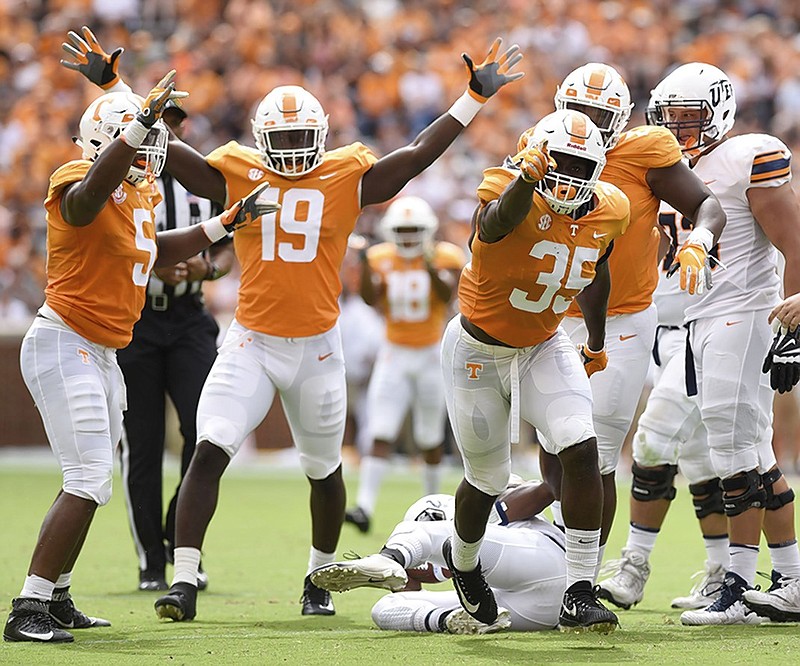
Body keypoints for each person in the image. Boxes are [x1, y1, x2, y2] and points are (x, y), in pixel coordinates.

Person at [66, 27, 525, 621]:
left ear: (321, 138)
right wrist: (118, 89)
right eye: (279, 139)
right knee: (209, 448)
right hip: (252, 339)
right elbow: (162, 146)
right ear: (260, 140)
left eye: (299, 139)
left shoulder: (344, 174)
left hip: (317, 347)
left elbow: (413, 158)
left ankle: (317, 577)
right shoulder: (236, 171)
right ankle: (182, 580)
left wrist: (472, 99)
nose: (288, 150)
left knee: (323, 469)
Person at [2, 74, 277, 643]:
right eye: (141, 141)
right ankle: (27, 607)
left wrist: (227, 223)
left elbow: (158, 249)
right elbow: (83, 206)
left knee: (93, 481)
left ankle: (55, 595)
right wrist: (133, 130)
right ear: (112, 140)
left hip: (103, 350)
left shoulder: (142, 192)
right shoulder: (76, 177)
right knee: (88, 478)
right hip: (65, 340)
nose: (152, 155)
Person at [441, 108, 629, 633]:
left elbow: (597, 267)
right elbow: (496, 223)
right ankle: (465, 565)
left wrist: (595, 338)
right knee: (488, 477)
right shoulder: (507, 186)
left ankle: (579, 590)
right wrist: (527, 177)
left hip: (544, 343)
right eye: (558, 161)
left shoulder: (610, 207)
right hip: (478, 350)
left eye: (580, 163)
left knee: (581, 443)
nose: (567, 173)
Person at [539, 63, 726, 560]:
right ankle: (547, 548)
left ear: (621, 118)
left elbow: (707, 204)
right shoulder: (541, 144)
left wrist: (699, 241)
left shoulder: (645, 150)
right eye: (579, 111)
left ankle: (579, 572)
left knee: (594, 455)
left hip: (622, 319)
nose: (588, 123)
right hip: (552, 316)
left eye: (600, 114)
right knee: (552, 447)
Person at [639, 62, 800, 626]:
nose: (680, 130)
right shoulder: (677, 172)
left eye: (690, 119)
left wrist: (799, 315)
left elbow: (793, 236)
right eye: (670, 119)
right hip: (706, 319)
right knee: (754, 454)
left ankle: (733, 582)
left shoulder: (744, 155)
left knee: (734, 452)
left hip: (746, 312)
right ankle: (791, 580)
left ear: (720, 111)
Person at [114, 100, 233, 593]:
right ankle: (150, 560)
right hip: (136, 318)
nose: (165, 129)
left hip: (188, 318)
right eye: (158, 120)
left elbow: (229, 247)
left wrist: (206, 267)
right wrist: (149, 263)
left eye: (173, 121)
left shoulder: (200, 182)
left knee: (203, 433)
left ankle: (181, 544)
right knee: (141, 444)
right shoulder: (120, 180)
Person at [598, 199, 727, 611]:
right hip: (658, 332)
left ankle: (635, 566)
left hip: (706, 330)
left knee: (653, 440)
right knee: (700, 459)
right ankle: (722, 574)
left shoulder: (733, 174)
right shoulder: (653, 174)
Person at [344, 196, 466, 534]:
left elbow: (447, 297)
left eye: (414, 230)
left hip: (430, 352)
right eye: (402, 230)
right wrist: (366, 264)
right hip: (393, 352)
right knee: (380, 430)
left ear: (426, 231)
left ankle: (433, 505)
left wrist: (427, 264)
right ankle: (364, 506)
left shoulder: (444, 256)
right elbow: (370, 299)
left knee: (429, 435)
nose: (409, 237)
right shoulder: (381, 257)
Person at [311, 487, 566, 634]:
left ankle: (388, 557)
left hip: (545, 558)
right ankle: (448, 620)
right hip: (531, 610)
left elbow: (545, 488)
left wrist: (493, 511)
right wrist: (406, 577)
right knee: (385, 607)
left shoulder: (476, 500)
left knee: (455, 541)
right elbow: (408, 588)